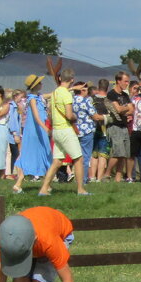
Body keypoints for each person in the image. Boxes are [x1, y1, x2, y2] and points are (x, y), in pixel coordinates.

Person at [38, 68, 88, 197]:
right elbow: (69, 115)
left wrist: (74, 88)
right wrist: (75, 118)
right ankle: (81, 189)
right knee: (78, 158)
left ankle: (44, 189)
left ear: (60, 78)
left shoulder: (55, 92)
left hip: (56, 130)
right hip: (66, 130)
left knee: (57, 161)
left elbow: (50, 111)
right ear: (72, 80)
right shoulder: (67, 95)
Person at [12, 75, 50, 194]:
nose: (42, 84)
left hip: (38, 130)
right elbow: (36, 116)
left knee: (44, 154)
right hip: (35, 131)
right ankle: (19, 183)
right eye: (40, 82)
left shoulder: (38, 97)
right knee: (31, 155)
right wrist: (45, 128)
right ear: (35, 85)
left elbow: (54, 94)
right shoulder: (32, 99)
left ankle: (47, 184)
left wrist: (71, 88)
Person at [105, 71, 133, 182]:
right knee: (118, 152)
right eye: (125, 81)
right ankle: (106, 174)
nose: (127, 83)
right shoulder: (112, 94)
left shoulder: (125, 95)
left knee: (124, 153)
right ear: (118, 81)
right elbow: (118, 109)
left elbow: (132, 109)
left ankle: (118, 177)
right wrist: (125, 108)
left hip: (124, 126)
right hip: (115, 126)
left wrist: (124, 108)